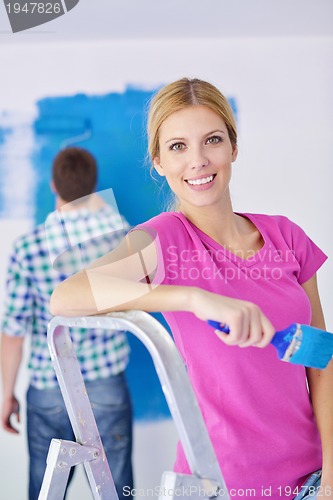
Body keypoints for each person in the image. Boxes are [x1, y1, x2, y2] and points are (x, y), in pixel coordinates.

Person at [49, 79, 333, 499]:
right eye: (178, 146)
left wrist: (330, 476)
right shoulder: (163, 240)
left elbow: (322, 359)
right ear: (159, 162)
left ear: (233, 148)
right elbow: (67, 297)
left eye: (212, 140)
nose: (198, 161)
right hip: (221, 484)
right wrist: (191, 298)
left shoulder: (285, 236)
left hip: (312, 479)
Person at [1, 147, 133, 500]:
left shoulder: (28, 247)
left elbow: (13, 332)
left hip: (49, 383)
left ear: (53, 185)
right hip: (106, 384)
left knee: (44, 491)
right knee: (117, 490)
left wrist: (5, 394)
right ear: (93, 187)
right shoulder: (121, 235)